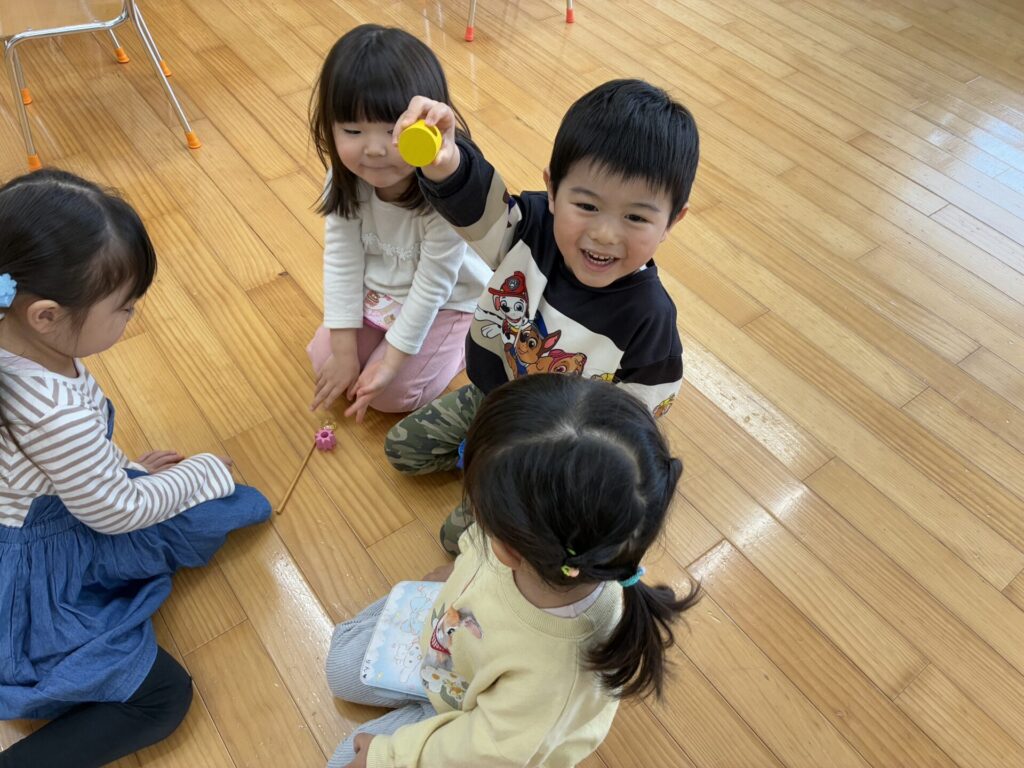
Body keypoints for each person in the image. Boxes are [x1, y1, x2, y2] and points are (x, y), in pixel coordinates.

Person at [0, 170, 271, 768]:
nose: (132, 316)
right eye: (123, 307)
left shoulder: (14, 337)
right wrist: (201, 473)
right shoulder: (53, 413)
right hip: (34, 566)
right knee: (162, 697)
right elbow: (115, 512)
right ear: (45, 315)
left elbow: (58, 466)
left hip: (54, 513)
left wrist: (112, 467)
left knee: (226, 509)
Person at [387, 78, 699, 554]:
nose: (605, 234)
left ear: (672, 221)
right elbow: (477, 205)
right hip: (494, 394)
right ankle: (482, 457)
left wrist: (567, 483)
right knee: (401, 449)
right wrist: (445, 160)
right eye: (586, 205)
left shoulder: (649, 320)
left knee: (456, 541)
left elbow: (636, 424)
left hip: (553, 446)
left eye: (636, 217)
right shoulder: (529, 230)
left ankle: (497, 472)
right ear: (552, 190)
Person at [326, 375, 700, 768]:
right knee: (340, 665)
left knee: (343, 760)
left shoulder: (553, 679)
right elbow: (479, 545)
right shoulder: (548, 547)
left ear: (508, 549)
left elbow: (481, 753)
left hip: (470, 717)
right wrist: (458, 568)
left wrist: (387, 756)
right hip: (452, 657)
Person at [307, 24, 490, 421]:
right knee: (325, 358)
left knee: (391, 396)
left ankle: (467, 340)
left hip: (449, 299)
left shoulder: (443, 187)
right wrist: (343, 352)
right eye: (352, 130)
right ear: (329, 127)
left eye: (393, 131)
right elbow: (342, 261)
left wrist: (391, 360)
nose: (374, 149)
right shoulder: (344, 179)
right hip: (386, 289)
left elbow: (433, 283)